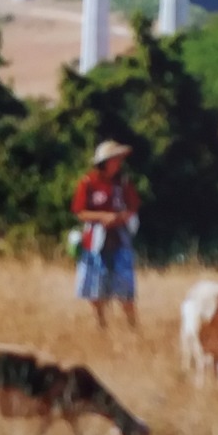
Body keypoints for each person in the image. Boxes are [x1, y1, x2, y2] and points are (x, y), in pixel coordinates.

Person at [71, 139, 142, 330]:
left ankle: (132, 325)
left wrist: (120, 218)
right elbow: (80, 211)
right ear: (105, 162)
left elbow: (133, 206)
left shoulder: (124, 183)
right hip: (95, 241)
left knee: (125, 288)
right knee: (95, 288)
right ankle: (100, 324)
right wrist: (102, 217)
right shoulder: (88, 183)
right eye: (115, 159)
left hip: (119, 239)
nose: (118, 163)